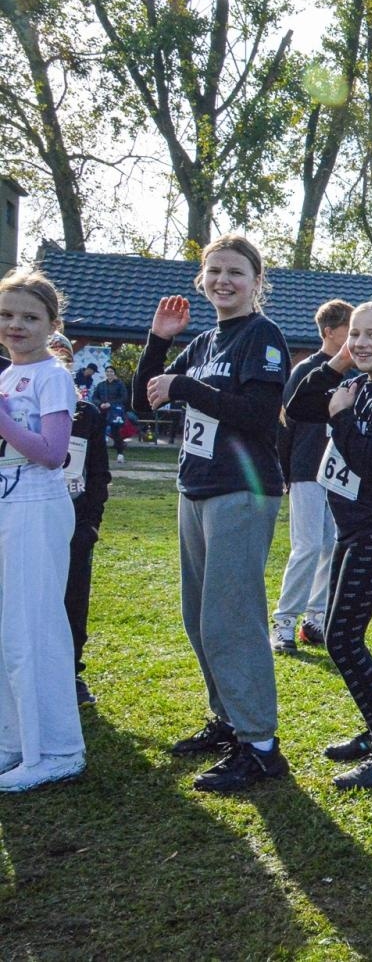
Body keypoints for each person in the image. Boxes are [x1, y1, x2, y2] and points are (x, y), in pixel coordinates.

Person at [133, 234, 290, 793]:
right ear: (202, 279)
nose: (224, 280)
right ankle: (228, 721)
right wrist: (157, 343)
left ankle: (261, 746)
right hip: (194, 487)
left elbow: (258, 414)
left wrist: (186, 387)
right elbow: (141, 399)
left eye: (236, 272)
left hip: (241, 491)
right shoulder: (202, 342)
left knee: (231, 618)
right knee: (198, 617)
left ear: (255, 282)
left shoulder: (262, 334)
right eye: (214, 271)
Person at [286, 301, 372, 789]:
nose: (362, 343)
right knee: (342, 634)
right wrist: (339, 363)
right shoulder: (359, 381)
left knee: (343, 638)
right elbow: (298, 406)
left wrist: (343, 418)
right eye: (355, 335)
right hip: (356, 525)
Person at [0, 272, 86, 791]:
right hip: (9, 505)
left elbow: (53, 454)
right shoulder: (6, 375)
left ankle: (57, 749)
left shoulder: (52, 376)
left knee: (35, 629)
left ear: (52, 325)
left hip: (36, 506)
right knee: (9, 630)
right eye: (7, 315)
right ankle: (15, 741)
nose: (15, 325)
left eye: (29, 317)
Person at [273, 299, 353, 653]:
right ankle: (283, 623)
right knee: (306, 546)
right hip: (306, 469)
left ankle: (315, 618)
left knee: (331, 545)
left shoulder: (353, 375)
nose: (356, 338)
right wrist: (285, 471)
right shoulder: (306, 370)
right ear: (329, 332)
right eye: (349, 331)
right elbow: (284, 423)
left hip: (338, 474)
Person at [49, 331, 111, 708]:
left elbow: (98, 473)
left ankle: (71, 673)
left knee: (73, 598)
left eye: (63, 358)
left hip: (74, 521)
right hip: (29, 516)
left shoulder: (85, 415)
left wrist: (91, 522)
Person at [92, 366, 131, 463]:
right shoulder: (101, 385)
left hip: (115, 412)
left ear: (114, 373)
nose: (109, 373)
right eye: (107, 371)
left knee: (116, 433)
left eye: (111, 371)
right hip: (102, 411)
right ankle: (99, 456)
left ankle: (120, 454)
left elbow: (124, 398)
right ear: (105, 373)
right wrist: (100, 404)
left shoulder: (119, 384)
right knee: (99, 433)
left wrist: (111, 403)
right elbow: (94, 397)